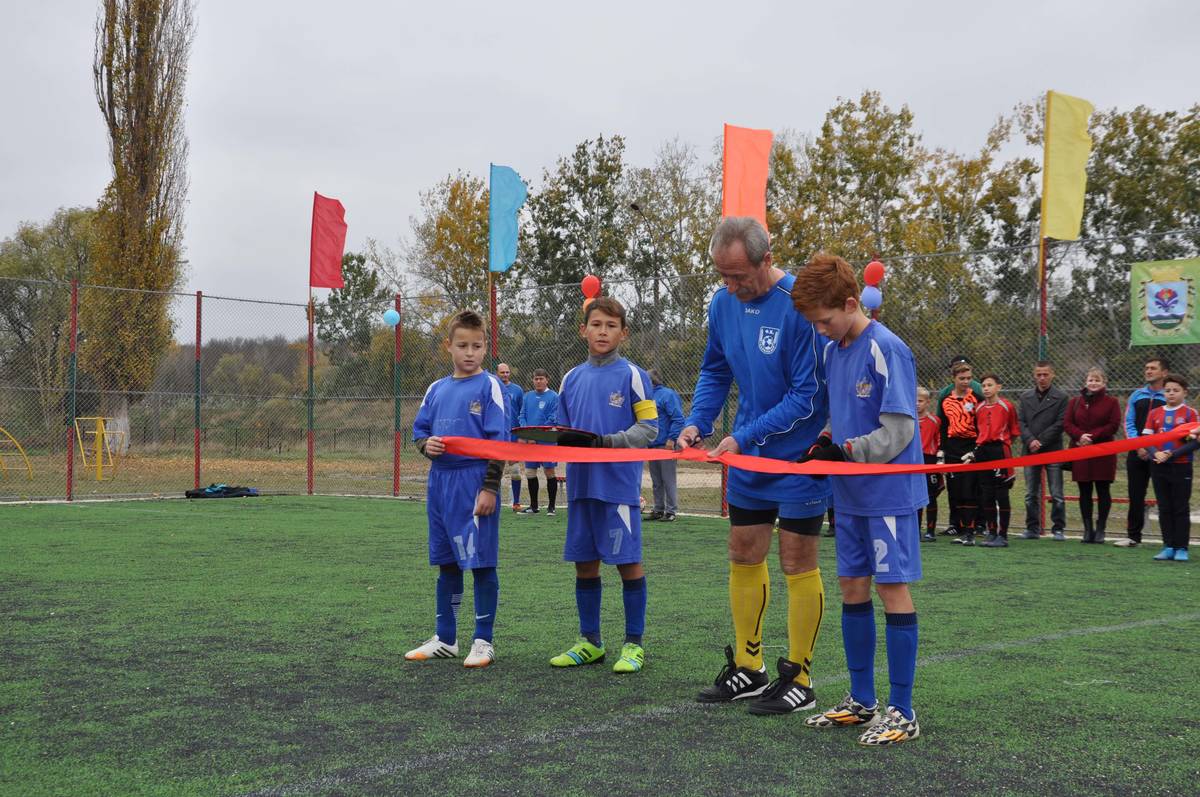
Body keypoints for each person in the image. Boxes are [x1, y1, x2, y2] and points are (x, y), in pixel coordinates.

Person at [679, 216, 831, 717]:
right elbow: (715, 369)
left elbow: (808, 397)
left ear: (767, 260)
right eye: (722, 275)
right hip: (748, 455)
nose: (730, 286)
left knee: (796, 559)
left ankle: (800, 677)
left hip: (800, 459)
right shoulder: (722, 304)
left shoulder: (800, 305)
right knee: (743, 550)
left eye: (738, 276)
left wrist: (744, 436)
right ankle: (749, 667)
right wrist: (697, 421)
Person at [792, 253, 925, 746]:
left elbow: (899, 430)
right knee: (852, 586)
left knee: (891, 589)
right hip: (848, 494)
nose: (821, 330)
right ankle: (862, 700)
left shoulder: (888, 349)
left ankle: (903, 711)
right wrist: (824, 442)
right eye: (814, 323)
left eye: (825, 320)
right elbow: (840, 415)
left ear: (851, 304)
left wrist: (847, 452)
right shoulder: (833, 351)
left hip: (888, 495)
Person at [549, 296, 658, 673]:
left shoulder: (634, 376)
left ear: (623, 333)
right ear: (583, 330)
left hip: (618, 487)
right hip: (580, 487)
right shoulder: (570, 378)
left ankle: (634, 644)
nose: (603, 332)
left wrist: (608, 442)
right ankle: (590, 642)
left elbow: (649, 429)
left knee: (628, 563)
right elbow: (562, 431)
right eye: (596, 324)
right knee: (584, 565)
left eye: (611, 326)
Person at [405, 310, 507, 668]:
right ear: (448, 346)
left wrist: (489, 487)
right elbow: (419, 432)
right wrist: (426, 445)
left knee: (480, 562)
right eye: (462, 345)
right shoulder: (436, 388)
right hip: (440, 484)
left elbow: (500, 441)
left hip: (474, 481)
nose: (470, 353)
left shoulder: (490, 386)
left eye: (477, 346)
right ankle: (446, 638)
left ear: (485, 347)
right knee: (447, 562)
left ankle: (483, 641)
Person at [1143, 373, 1197, 562]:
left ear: (1185, 392)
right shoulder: (1154, 413)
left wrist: (1172, 454)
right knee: (1164, 507)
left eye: (1176, 390)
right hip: (1159, 465)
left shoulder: (1190, 414)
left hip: (1181, 466)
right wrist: (1155, 453)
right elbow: (1147, 438)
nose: (1171, 393)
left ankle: (1182, 548)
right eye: (1167, 390)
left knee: (1180, 507)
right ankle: (1168, 546)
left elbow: (1195, 441)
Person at [1064, 368, 1121, 544]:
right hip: (1080, 450)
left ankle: (1101, 528)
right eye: (1090, 380)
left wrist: (1092, 437)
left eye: (1097, 380)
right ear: (1085, 382)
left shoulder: (1112, 402)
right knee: (1084, 490)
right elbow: (1067, 423)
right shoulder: (1075, 402)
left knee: (1103, 489)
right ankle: (1088, 529)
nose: (1093, 383)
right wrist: (1080, 436)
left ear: (1104, 383)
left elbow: (1113, 425)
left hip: (1103, 452)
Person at [1116, 358, 1168, 548]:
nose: (1148, 371)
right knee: (1135, 494)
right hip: (1137, 452)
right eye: (1146, 368)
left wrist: (1155, 448)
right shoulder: (1137, 395)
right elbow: (1128, 422)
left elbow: (1173, 427)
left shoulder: (1170, 394)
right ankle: (1133, 537)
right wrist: (1139, 445)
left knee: (1165, 496)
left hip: (1161, 454)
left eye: (1153, 368)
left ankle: (1170, 539)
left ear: (1164, 373)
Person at [1017, 362, 1068, 541]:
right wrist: (1030, 440)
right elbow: (1020, 422)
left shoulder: (1061, 397)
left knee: (1057, 493)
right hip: (1030, 450)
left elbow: (1061, 423)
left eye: (1045, 374)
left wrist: (1041, 441)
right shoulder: (1025, 397)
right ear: (1034, 375)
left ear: (1052, 375)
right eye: (1039, 374)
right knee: (1031, 493)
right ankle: (1032, 527)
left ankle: (1058, 528)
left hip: (1052, 449)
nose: (1042, 378)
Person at [969, 374, 1020, 548]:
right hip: (983, 452)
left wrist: (1002, 445)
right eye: (983, 385)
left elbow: (1014, 431)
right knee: (987, 493)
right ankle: (991, 532)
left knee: (1001, 493)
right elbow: (978, 430)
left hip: (1000, 451)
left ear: (998, 387)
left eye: (989, 385)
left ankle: (1003, 535)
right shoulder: (979, 408)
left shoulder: (1007, 406)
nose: (986, 388)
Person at [935, 356, 984, 536]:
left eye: (968, 378)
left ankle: (976, 525)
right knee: (954, 488)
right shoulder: (946, 399)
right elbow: (942, 425)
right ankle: (955, 524)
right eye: (961, 378)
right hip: (952, 447)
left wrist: (977, 448)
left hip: (971, 446)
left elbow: (981, 425)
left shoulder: (977, 398)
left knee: (971, 487)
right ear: (954, 379)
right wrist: (941, 448)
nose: (965, 381)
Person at [518, 368, 560, 515]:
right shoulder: (527, 396)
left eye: (541, 378)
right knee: (530, 472)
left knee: (549, 471)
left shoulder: (554, 397)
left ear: (547, 380)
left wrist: (535, 436)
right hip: (530, 441)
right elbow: (522, 416)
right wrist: (527, 433)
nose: (538, 381)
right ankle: (534, 506)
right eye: (536, 379)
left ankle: (551, 507)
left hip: (546, 440)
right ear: (533, 380)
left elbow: (553, 418)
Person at [645, 368, 684, 522]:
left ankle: (671, 511)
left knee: (668, 479)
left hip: (666, 444)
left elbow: (678, 418)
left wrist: (672, 439)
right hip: (652, 445)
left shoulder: (667, 394)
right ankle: (658, 509)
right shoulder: (646, 397)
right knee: (656, 480)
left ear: (651, 381)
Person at [495, 362, 526, 512]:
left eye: (507, 372)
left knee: (515, 471)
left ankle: (516, 503)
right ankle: (494, 502)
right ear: (497, 373)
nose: (505, 375)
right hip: (496, 435)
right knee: (495, 469)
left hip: (513, 436)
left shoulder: (517, 390)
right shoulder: (492, 388)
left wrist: (521, 434)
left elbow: (522, 413)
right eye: (502, 372)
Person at [917, 387, 944, 543]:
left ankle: (930, 531)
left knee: (931, 496)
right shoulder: (908, 421)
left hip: (929, 460)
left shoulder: (935, 421)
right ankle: (916, 530)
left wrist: (940, 459)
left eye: (920, 401)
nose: (917, 404)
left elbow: (940, 441)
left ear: (927, 402)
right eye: (914, 401)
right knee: (915, 497)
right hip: (913, 462)